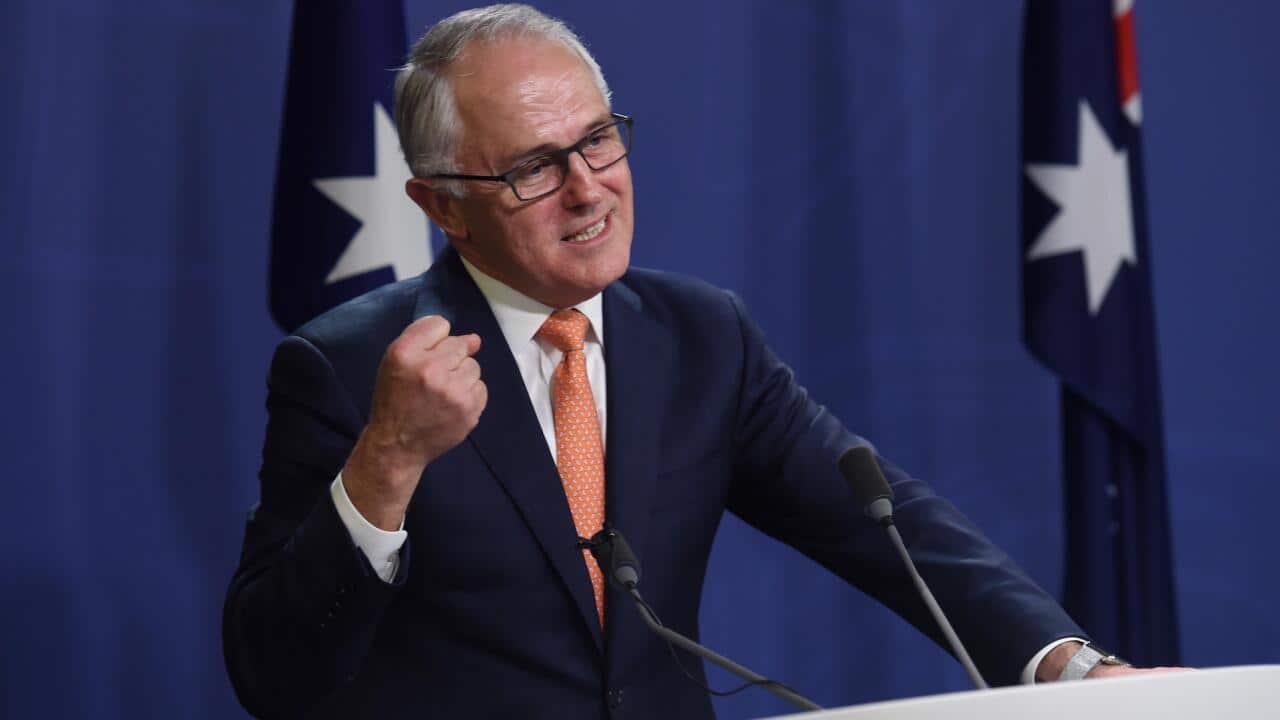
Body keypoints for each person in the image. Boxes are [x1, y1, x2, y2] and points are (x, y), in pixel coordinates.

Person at [223, 5, 1165, 718]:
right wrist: (386, 462)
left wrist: (1067, 669)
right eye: (533, 168)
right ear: (440, 206)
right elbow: (275, 673)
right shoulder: (349, 369)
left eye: (598, 138)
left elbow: (888, 530)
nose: (588, 188)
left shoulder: (700, 337)